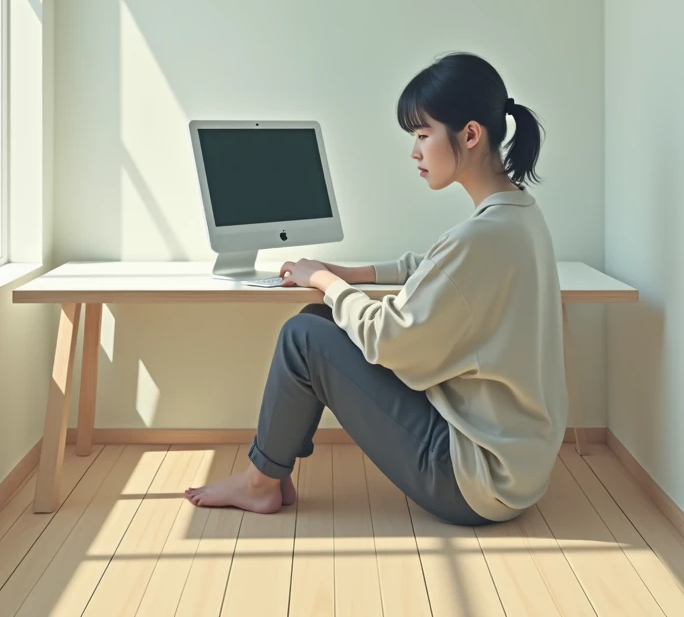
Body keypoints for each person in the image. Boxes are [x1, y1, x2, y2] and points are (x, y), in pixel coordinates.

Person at [184, 51, 569, 525]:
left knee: (303, 336)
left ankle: (259, 483)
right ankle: (271, 473)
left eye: (423, 135)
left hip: (472, 482)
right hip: (514, 468)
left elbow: (392, 339)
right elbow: (431, 266)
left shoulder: (480, 238)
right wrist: (349, 274)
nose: (414, 151)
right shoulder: (517, 216)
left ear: (469, 135)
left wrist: (323, 281)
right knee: (318, 321)